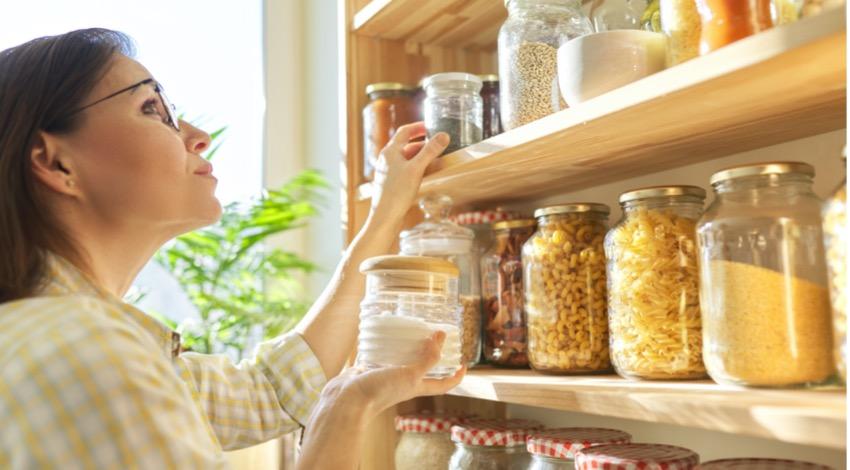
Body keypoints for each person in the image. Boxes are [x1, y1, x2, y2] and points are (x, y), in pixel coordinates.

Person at [0, 28, 463, 469]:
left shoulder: (65, 336)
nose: (197, 134)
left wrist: (387, 208)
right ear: (55, 162)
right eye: (151, 109)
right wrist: (344, 410)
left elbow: (271, 392)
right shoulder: (82, 353)